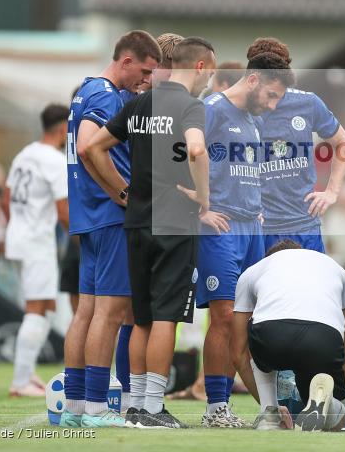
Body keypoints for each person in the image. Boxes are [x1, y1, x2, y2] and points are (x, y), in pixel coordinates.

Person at [86, 36, 216, 428]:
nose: (210, 82)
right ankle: (155, 407)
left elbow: (92, 147)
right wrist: (204, 197)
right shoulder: (191, 106)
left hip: (138, 220)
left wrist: (121, 192)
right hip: (175, 222)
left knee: (141, 318)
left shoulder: (140, 103)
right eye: (210, 73)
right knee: (166, 317)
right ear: (200, 67)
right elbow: (196, 149)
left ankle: (138, 405)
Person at [61, 30, 160, 428]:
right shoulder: (105, 95)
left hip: (89, 216)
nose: (146, 80)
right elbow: (88, 146)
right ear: (126, 61)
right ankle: (97, 407)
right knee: (111, 312)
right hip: (110, 217)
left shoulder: (87, 89)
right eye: (145, 71)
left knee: (86, 311)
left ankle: (74, 406)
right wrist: (122, 193)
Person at [198, 53, 295, 428]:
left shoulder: (253, 120)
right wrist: (200, 207)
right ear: (253, 80)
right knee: (224, 316)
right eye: (271, 95)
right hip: (219, 228)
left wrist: (257, 207)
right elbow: (179, 159)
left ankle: (267, 405)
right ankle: (215, 408)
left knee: (250, 321)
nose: (272, 105)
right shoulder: (212, 110)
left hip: (251, 227)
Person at [233, 238, 345, 431]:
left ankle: (269, 413)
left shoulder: (253, 271)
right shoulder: (336, 268)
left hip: (270, 337)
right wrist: (338, 397)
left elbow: (238, 354)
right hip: (323, 339)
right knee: (335, 420)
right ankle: (330, 405)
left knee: (253, 325)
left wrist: (269, 403)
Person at [245, 37, 345, 252]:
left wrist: (331, 192)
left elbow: (344, 144)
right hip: (259, 228)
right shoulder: (240, 107)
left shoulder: (308, 102)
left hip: (304, 224)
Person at [3, 104, 70, 397]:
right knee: (37, 307)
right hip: (37, 241)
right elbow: (63, 209)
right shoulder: (54, 160)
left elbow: (6, 197)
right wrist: (82, 239)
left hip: (18, 237)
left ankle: (27, 372)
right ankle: (19, 381)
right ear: (63, 128)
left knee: (46, 306)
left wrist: (17, 225)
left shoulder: (24, 154)